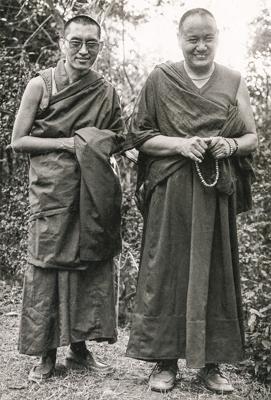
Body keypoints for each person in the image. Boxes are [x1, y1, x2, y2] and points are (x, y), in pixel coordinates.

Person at [125, 8, 257, 394]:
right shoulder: (160, 79)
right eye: (192, 38)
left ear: (218, 37)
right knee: (165, 269)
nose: (200, 46)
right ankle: (164, 362)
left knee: (214, 271)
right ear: (179, 37)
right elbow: (140, 136)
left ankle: (211, 365)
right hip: (170, 190)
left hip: (214, 192)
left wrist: (228, 143)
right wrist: (181, 145)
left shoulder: (233, 81)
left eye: (208, 38)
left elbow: (251, 137)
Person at [11, 15, 124, 382]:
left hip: (92, 192)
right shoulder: (40, 85)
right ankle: (45, 353)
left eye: (91, 44)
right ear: (62, 43)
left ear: (100, 47)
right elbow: (18, 141)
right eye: (75, 42)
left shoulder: (105, 92)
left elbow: (117, 138)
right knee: (47, 264)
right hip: (51, 190)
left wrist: (102, 145)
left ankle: (79, 349)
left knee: (88, 261)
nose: (83, 51)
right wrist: (70, 143)